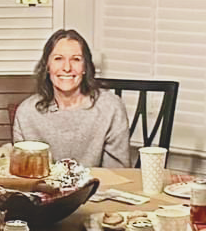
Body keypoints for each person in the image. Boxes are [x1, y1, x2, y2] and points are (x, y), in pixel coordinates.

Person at [12, 29, 132, 167]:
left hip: (99, 182)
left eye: (76, 59)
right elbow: (24, 173)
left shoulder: (111, 108)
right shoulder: (26, 113)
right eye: (58, 59)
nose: (67, 68)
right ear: (47, 66)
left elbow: (117, 172)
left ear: (85, 67)